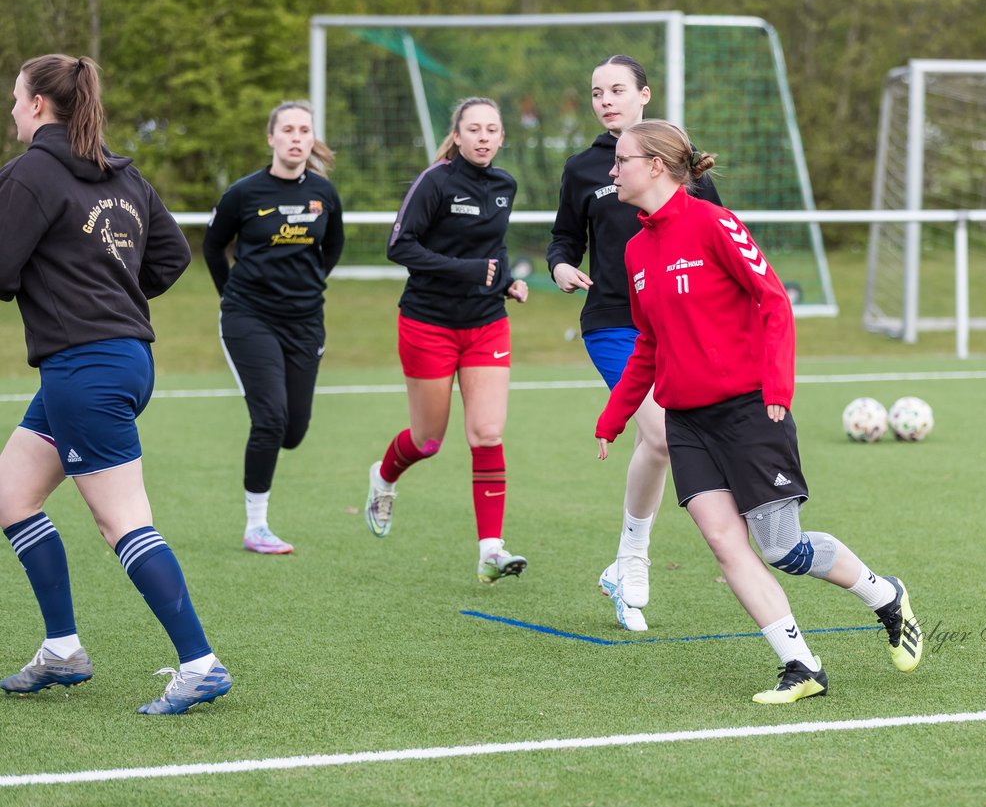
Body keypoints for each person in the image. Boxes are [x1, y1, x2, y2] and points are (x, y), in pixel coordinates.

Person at [595, 120, 923, 704]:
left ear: (656, 166)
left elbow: (774, 302)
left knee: (780, 548)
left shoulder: (714, 223)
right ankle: (801, 665)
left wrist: (777, 385)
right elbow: (647, 344)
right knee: (725, 544)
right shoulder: (635, 250)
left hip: (751, 411)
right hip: (688, 422)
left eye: (621, 160)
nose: (612, 170)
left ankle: (885, 594)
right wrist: (614, 417)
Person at [0, 54, 231, 714]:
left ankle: (199, 662)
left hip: (84, 370)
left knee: (122, 522)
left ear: (40, 105)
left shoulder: (30, 176)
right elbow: (170, 257)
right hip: (118, 359)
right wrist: (112, 298)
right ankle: (62, 648)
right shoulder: (121, 173)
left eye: (17, 98)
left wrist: (84, 303)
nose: (13, 109)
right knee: (12, 494)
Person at [547, 55, 721, 632]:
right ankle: (633, 557)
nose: (605, 100)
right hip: (614, 325)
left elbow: (721, 244)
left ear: (644, 94)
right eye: (597, 92)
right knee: (660, 433)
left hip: (677, 327)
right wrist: (561, 267)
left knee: (664, 443)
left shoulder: (679, 164)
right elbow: (564, 239)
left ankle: (624, 561)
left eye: (617, 89)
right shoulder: (582, 168)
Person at [364, 97, 530, 584]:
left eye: (491, 129)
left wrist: (504, 283)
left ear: (501, 137)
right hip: (428, 323)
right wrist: (472, 271)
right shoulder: (435, 181)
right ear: (456, 136)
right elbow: (399, 246)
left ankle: (491, 550)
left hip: (486, 324)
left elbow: (493, 249)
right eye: (473, 129)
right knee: (428, 440)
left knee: (487, 434)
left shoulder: (505, 185)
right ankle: (384, 476)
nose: (482, 137)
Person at [203, 101, 345, 555]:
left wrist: (306, 287)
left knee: (293, 431)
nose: (296, 137)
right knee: (270, 420)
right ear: (272, 138)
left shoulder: (324, 193)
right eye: (287, 129)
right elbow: (212, 248)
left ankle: (275, 432)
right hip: (249, 317)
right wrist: (232, 298)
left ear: (311, 139)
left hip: (305, 322)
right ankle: (257, 527)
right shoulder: (244, 193)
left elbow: (333, 246)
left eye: (304, 129)